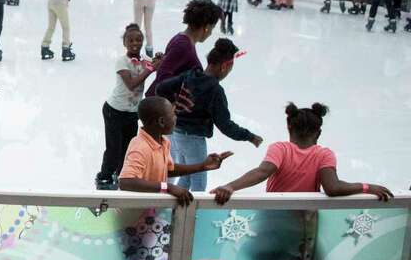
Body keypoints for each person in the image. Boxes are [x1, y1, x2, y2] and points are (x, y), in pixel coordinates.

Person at [212, 103, 391, 203]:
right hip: (306, 218)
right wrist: (367, 187)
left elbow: (261, 173)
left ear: (288, 127)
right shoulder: (324, 155)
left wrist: (230, 186)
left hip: (273, 216)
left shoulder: (280, 149)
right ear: (319, 132)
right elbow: (333, 188)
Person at [155, 38, 261, 192]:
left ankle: (174, 209)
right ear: (225, 66)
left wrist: (173, 104)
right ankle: (192, 213)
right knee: (199, 181)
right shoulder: (215, 90)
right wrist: (249, 136)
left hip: (176, 134)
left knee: (186, 175)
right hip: (193, 140)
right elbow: (225, 125)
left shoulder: (190, 74)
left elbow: (161, 88)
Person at [117, 96, 234, 205]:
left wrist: (202, 166)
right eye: (173, 114)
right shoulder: (140, 146)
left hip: (150, 210)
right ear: (161, 121)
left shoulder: (163, 141)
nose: (176, 118)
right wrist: (168, 187)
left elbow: (168, 169)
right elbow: (126, 181)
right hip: (133, 214)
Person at [95, 24, 159, 190]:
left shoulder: (145, 61)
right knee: (113, 150)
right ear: (124, 43)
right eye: (130, 40)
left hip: (132, 114)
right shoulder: (121, 61)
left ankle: (122, 175)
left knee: (127, 150)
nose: (135, 43)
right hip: (114, 111)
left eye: (138, 39)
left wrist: (160, 60)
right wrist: (151, 69)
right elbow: (131, 84)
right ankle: (104, 177)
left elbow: (159, 67)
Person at [146, 0, 222, 96]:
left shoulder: (181, 39)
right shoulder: (183, 47)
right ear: (206, 27)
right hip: (159, 107)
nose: (211, 33)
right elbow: (163, 78)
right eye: (212, 28)